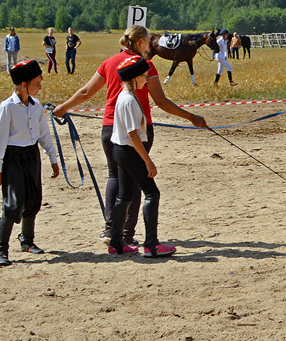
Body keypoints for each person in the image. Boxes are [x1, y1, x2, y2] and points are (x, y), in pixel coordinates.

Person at [52, 25, 208, 246]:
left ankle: (110, 228)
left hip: (111, 128)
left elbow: (86, 92)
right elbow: (161, 101)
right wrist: (191, 117)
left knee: (114, 176)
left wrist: (63, 107)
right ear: (142, 42)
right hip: (138, 131)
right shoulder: (145, 66)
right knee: (135, 180)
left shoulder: (109, 63)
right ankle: (126, 233)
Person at [0, 60, 60, 266]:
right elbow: (0, 139)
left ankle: (27, 240)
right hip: (13, 158)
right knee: (13, 204)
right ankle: (0, 251)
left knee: (33, 200)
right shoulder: (8, 107)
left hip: (31, 156)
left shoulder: (36, 106)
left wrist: (53, 158)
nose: (40, 87)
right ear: (23, 84)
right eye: (36, 83)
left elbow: (44, 134)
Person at [108, 55, 176, 257]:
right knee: (152, 193)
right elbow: (132, 135)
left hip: (122, 150)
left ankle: (116, 243)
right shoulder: (129, 100)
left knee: (124, 196)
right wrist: (148, 161)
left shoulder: (126, 96)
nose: (147, 79)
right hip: (129, 152)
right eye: (145, 76)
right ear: (135, 77)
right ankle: (151, 245)